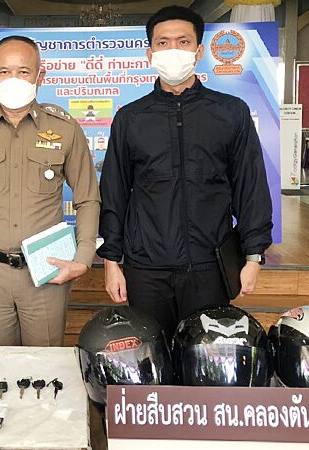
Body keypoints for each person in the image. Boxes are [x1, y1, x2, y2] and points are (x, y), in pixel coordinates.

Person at [97, 6, 273, 341]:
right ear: (150, 53)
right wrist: (111, 261)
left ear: (199, 50)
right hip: (146, 267)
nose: (173, 49)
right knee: (154, 354)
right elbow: (114, 193)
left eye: (183, 41)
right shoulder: (131, 118)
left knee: (205, 354)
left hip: (209, 266)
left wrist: (253, 256)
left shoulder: (230, 113)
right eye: (163, 42)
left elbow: (250, 187)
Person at [0, 36, 100, 346]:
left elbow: (87, 198)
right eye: (4, 71)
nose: (13, 79)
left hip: (46, 271)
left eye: (23, 71)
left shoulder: (65, 128)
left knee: (45, 364)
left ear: (40, 76)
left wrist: (83, 257)